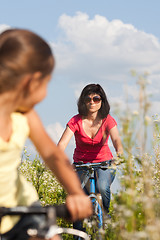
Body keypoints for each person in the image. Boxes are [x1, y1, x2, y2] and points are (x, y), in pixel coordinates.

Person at [0, 29, 92, 240]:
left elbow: (53, 155)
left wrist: (76, 193)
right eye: (46, 83)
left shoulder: (25, 115)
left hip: (23, 210)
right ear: (31, 82)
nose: (47, 93)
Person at [58, 83, 123, 234]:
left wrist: (119, 156)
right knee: (78, 199)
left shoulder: (108, 120)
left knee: (102, 187)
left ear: (102, 101)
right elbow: (61, 144)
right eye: (88, 99)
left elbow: (117, 142)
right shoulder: (75, 121)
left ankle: (105, 216)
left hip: (104, 164)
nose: (92, 102)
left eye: (96, 98)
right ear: (83, 101)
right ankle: (78, 235)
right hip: (80, 165)